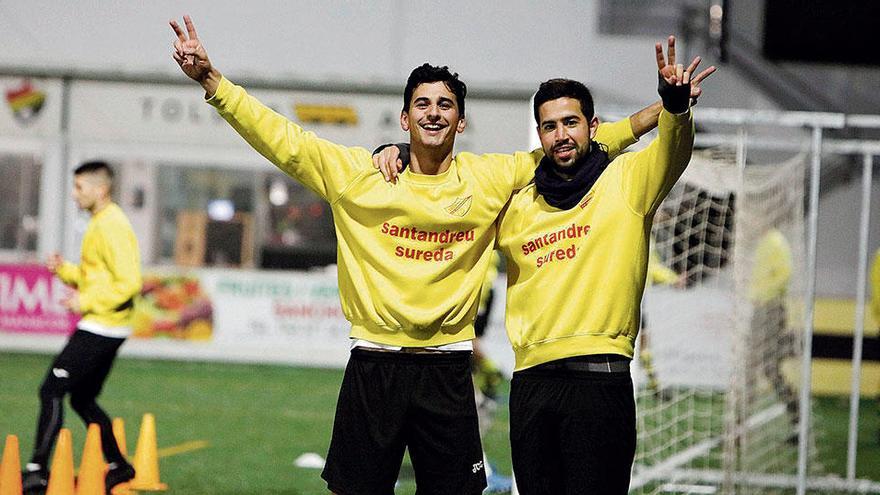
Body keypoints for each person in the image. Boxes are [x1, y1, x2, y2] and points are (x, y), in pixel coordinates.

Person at [169, 15, 640, 495]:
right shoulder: (359, 175)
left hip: (448, 367)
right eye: (422, 104)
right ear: (404, 118)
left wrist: (658, 114)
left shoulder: (490, 177)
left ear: (461, 120)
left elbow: (573, 143)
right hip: (374, 365)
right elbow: (283, 141)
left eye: (445, 105)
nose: (433, 113)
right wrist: (212, 80)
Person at [493, 37, 702, 493]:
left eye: (571, 122)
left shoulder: (627, 180)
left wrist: (675, 108)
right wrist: (399, 151)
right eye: (549, 127)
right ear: (540, 135)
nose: (561, 135)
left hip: (600, 382)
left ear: (593, 126)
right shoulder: (517, 204)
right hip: (531, 385)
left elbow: (674, 150)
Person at [22, 161, 142, 494]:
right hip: (108, 325)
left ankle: (37, 471)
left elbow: (129, 283)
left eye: (79, 187)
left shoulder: (111, 225)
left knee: (51, 391)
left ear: (100, 189)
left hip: (102, 326)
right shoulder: (100, 222)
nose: (75, 194)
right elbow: (97, 277)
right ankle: (119, 465)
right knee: (82, 399)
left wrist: (86, 303)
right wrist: (64, 271)